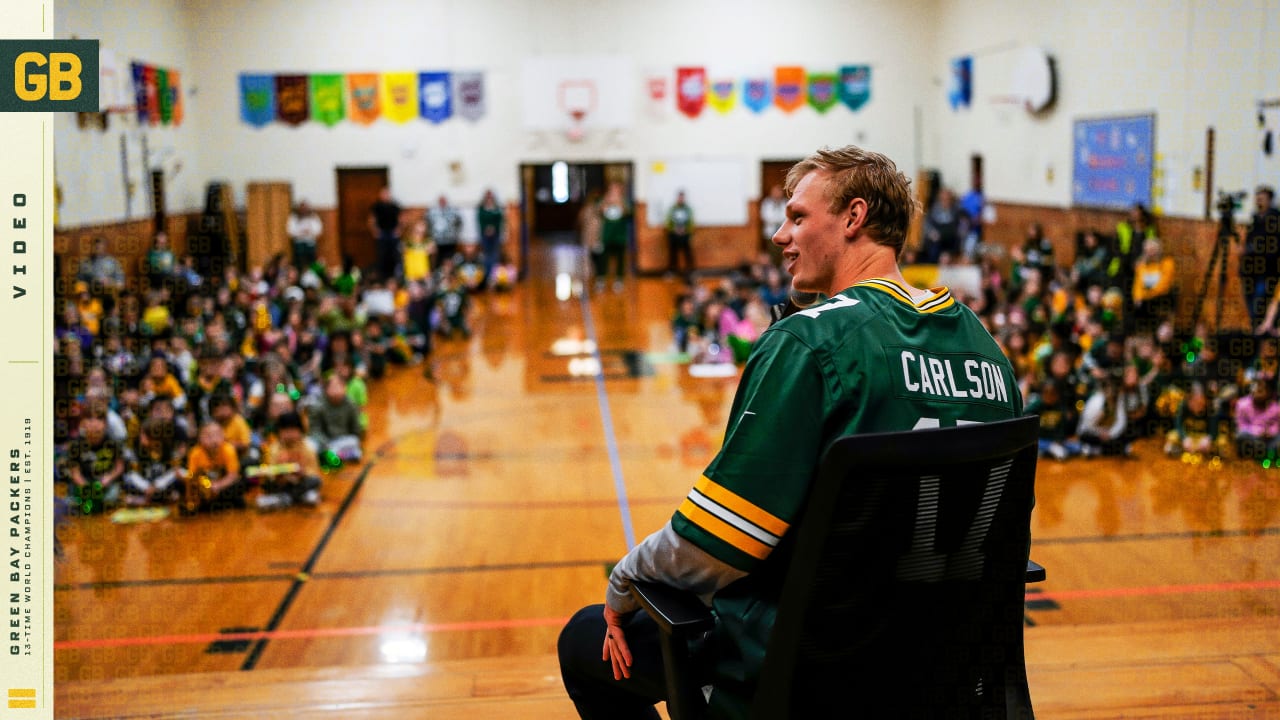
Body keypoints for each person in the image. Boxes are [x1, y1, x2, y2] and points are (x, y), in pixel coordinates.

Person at [558, 145, 1023, 720]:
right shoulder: (988, 349)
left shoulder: (808, 341)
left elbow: (719, 543)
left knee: (585, 640)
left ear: (853, 219)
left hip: (808, 669)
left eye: (797, 217)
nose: (780, 235)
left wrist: (626, 577)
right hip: (947, 667)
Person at [1241, 185, 1280, 329]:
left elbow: (1273, 247)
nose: (1259, 202)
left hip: (1265, 271)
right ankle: (1256, 334)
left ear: (1269, 201)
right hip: (1250, 271)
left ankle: (1262, 337)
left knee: (1260, 307)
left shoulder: (1275, 221)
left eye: (1262, 199)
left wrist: (1253, 249)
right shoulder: (1255, 219)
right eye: (1257, 199)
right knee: (1252, 308)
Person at [596, 182, 632, 293]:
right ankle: (601, 279)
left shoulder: (624, 202)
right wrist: (607, 201)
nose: (614, 191)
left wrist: (619, 202)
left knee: (620, 259)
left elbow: (629, 214)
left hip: (620, 237)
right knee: (603, 259)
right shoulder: (604, 200)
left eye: (616, 189)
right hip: (607, 236)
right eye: (612, 189)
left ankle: (619, 279)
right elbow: (598, 211)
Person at [367, 186, 403, 282]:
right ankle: (382, 277)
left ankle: (395, 278)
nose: (385, 196)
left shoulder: (395, 206)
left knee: (395, 255)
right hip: (382, 234)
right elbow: (371, 220)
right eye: (384, 194)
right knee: (382, 256)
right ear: (380, 195)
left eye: (387, 194)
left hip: (392, 234)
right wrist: (375, 230)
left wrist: (399, 229)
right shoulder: (376, 207)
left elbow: (402, 219)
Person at [664, 190, 695, 278]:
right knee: (673, 254)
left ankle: (690, 271)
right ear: (677, 198)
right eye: (679, 197)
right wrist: (674, 229)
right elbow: (668, 221)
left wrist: (686, 230)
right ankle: (672, 272)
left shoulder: (688, 209)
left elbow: (692, 222)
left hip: (685, 235)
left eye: (682, 197)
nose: (681, 199)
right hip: (674, 235)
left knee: (688, 253)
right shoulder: (673, 209)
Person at [477, 189, 505, 285]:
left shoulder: (496, 208)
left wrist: (493, 229)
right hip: (485, 235)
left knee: (495, 255)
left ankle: (494, 277)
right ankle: (487, 276)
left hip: (495, 234)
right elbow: (481, 220)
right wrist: (486, 229)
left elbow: (499, 220)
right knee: (486, 255)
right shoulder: (481, 208)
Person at [428, 194, 464, 269]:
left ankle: (449, 275)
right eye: (441, 201)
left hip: (450, 240)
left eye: (444, 201)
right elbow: (428, 223)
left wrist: (456, 233)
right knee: (438, 259)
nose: (442, 202)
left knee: (449, 259)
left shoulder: (453, 211)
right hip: (437, 240)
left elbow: (459, 222)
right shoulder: (432, 211)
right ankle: (438, 274)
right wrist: (431, 235)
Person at [287, 200, 323, 273]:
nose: (304, 210)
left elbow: (319, 230)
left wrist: (310, 231)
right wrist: (300, 232)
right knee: (299, 262)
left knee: (312, 262)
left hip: (310, 243)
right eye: (302, 208)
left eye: (305, 208)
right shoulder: (294, 218)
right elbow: (290, 231)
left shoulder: (313, 217)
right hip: (299, 243)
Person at [758, 183, 787, 260]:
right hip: (770, 234)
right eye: (775, 192)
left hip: (784, 234)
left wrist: (775, 219)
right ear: (771, 193)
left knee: (783, 253)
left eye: (778, 192)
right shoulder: (766, 203)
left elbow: (786, 217)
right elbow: (766, 217)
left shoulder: (785, 203)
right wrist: (778, 220)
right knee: (772, 254)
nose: (777, 194)